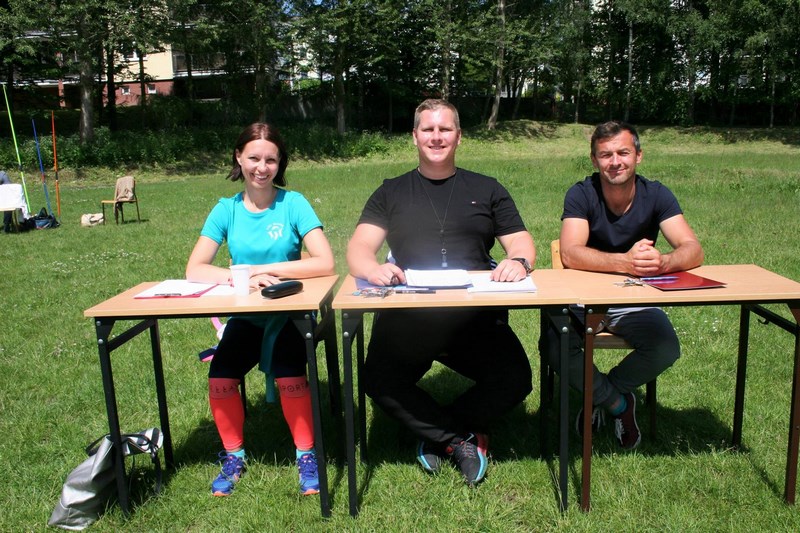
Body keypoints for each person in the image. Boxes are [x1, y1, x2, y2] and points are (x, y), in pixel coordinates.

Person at [346, 99, 536, 486]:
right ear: (414, 136)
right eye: (428, 129)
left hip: (474, 317)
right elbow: (359, 249)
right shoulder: (391, 191)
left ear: (459, 136)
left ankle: (436, 431)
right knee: (378, 380)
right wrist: (372, 268)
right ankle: (459, 440)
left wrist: (519, 261)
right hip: (409, 318)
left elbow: (520, 241)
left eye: (445, 129)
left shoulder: (487, 188)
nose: (436, 137)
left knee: (516, 380)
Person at [186, 122, 335, 497]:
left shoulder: (293, 203)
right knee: (220, 378)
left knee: (290, 374)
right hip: (246, 318)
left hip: (289, 315)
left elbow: (325, 261)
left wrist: (265, 271)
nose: (262, 167)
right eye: (254, 158)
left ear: (280, 163)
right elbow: (195, 268)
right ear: (238, 157)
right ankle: (233, 457)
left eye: (271, 160)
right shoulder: (226, 210)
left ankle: (306, 456)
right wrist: (243, 277)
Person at [543, 120, 704, 450]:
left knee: (665, 347)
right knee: (555, 346)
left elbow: (693, 249)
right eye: (606, 155)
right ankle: (617, 403)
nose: (615, 162)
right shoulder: (581, 193)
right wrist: (624, 263)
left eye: (623, 153)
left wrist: (663, 262)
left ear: (638, 156)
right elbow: (570, 252)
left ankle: (601, 393)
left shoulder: (656, 194)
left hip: (634, 299)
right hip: (583, 298)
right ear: (594, 160)